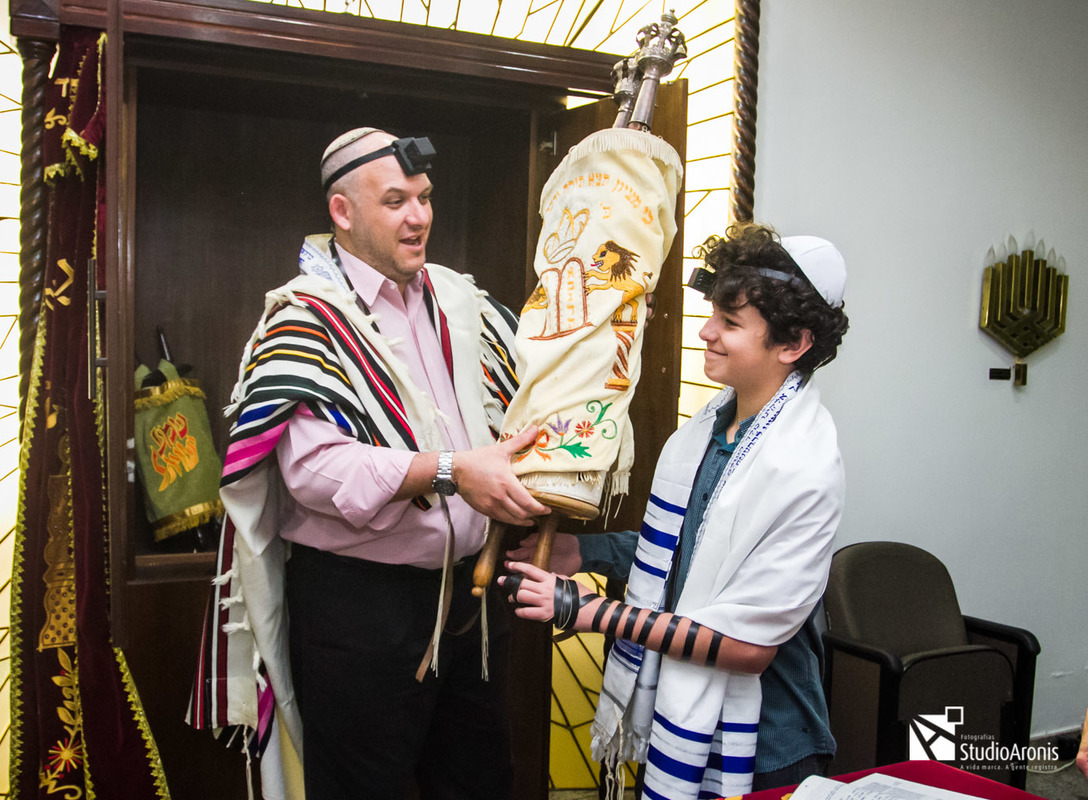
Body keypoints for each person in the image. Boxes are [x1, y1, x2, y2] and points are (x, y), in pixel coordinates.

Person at [219, 127, 550, 800]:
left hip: (472, 597)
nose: (418, 217)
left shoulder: (462, 302)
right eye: (395, 201)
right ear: (342, 212)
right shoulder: (304, 319)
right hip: (362, 611)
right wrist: (451, 471)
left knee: (480, 784)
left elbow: (525, 406)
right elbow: (316, 472)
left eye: (424, 198)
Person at [501, 222, 850, 799]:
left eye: (730, 323)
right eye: (713, 315)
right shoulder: (712, 426)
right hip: (679, 714)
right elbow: (682, 552)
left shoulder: (803, 466)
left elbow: (747, 648)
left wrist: (592, 612)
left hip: (766, 742)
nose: (707, 332)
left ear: (793, 345)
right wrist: (581, 551)